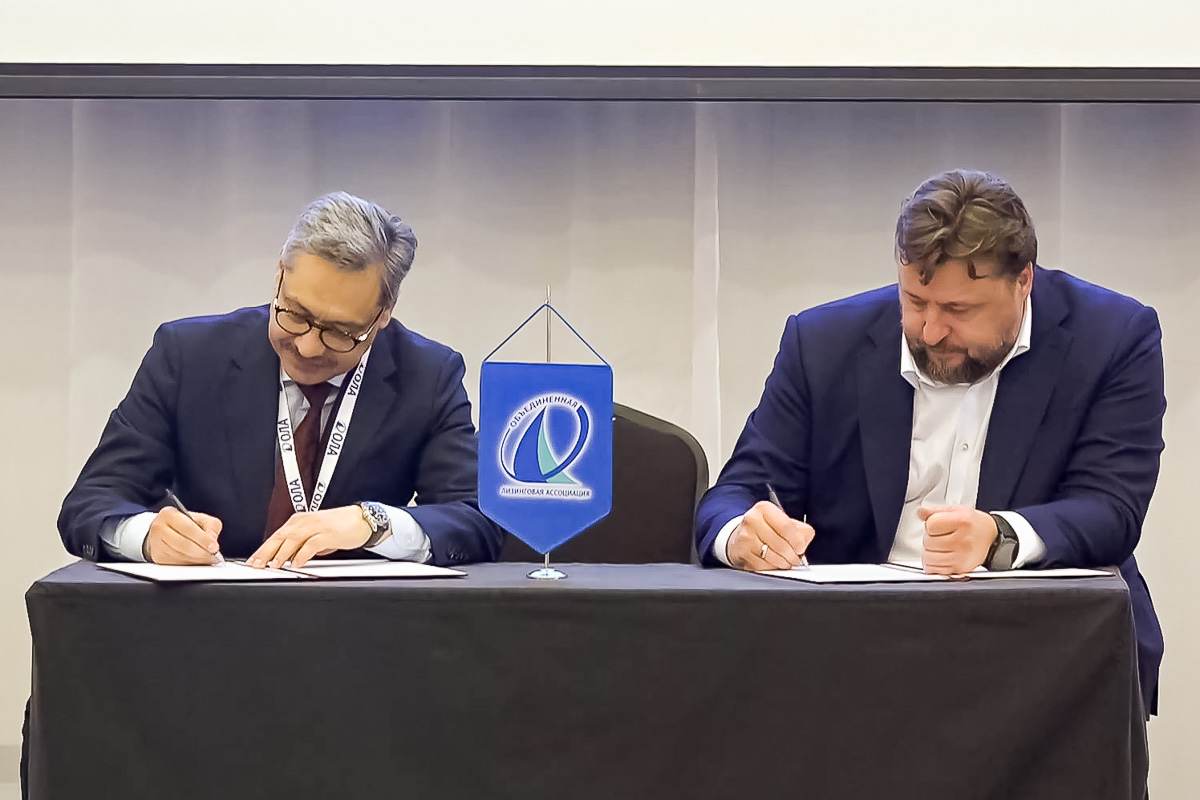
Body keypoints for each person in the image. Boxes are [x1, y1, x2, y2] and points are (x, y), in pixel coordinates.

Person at [694, 169, 1165, 715]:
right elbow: (736, 492)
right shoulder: (822, 342)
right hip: (854, 648)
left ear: (1023, 282)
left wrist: (997, 536)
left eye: (959, 311)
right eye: (915, 301)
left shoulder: (1113, 338)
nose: (931, 331)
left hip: (1042, 648)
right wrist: (741, 534)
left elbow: (1111, 509)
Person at [59, 191, 504, 568]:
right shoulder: (188, 355)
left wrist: (372, 522)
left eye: (340, 332)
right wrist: (147, 536)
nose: (308, 347)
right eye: (296, 314)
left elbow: (477, 520)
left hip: (361, 628)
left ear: (383, 315)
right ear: (279, 276)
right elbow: (91, 502)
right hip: (205, 621)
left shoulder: (428, 376)